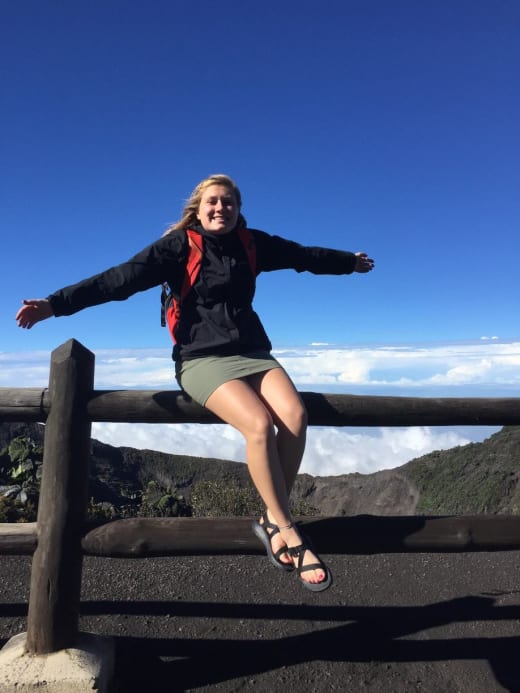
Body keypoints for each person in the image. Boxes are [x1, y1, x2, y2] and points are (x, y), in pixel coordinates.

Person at [15, 173, 374, 592]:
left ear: (238, 209)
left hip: (254, 353)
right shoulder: (177, 246)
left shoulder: (251, 243)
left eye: (228, 203)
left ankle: (271, 517)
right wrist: (55, 304)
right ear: (198, 209)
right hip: (200, 358)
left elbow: (303, 255)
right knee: (258, 425)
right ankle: (286, 528)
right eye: (212, 202)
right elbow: (117, 280)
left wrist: (348, 262)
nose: (220, 208)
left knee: (295, 416)